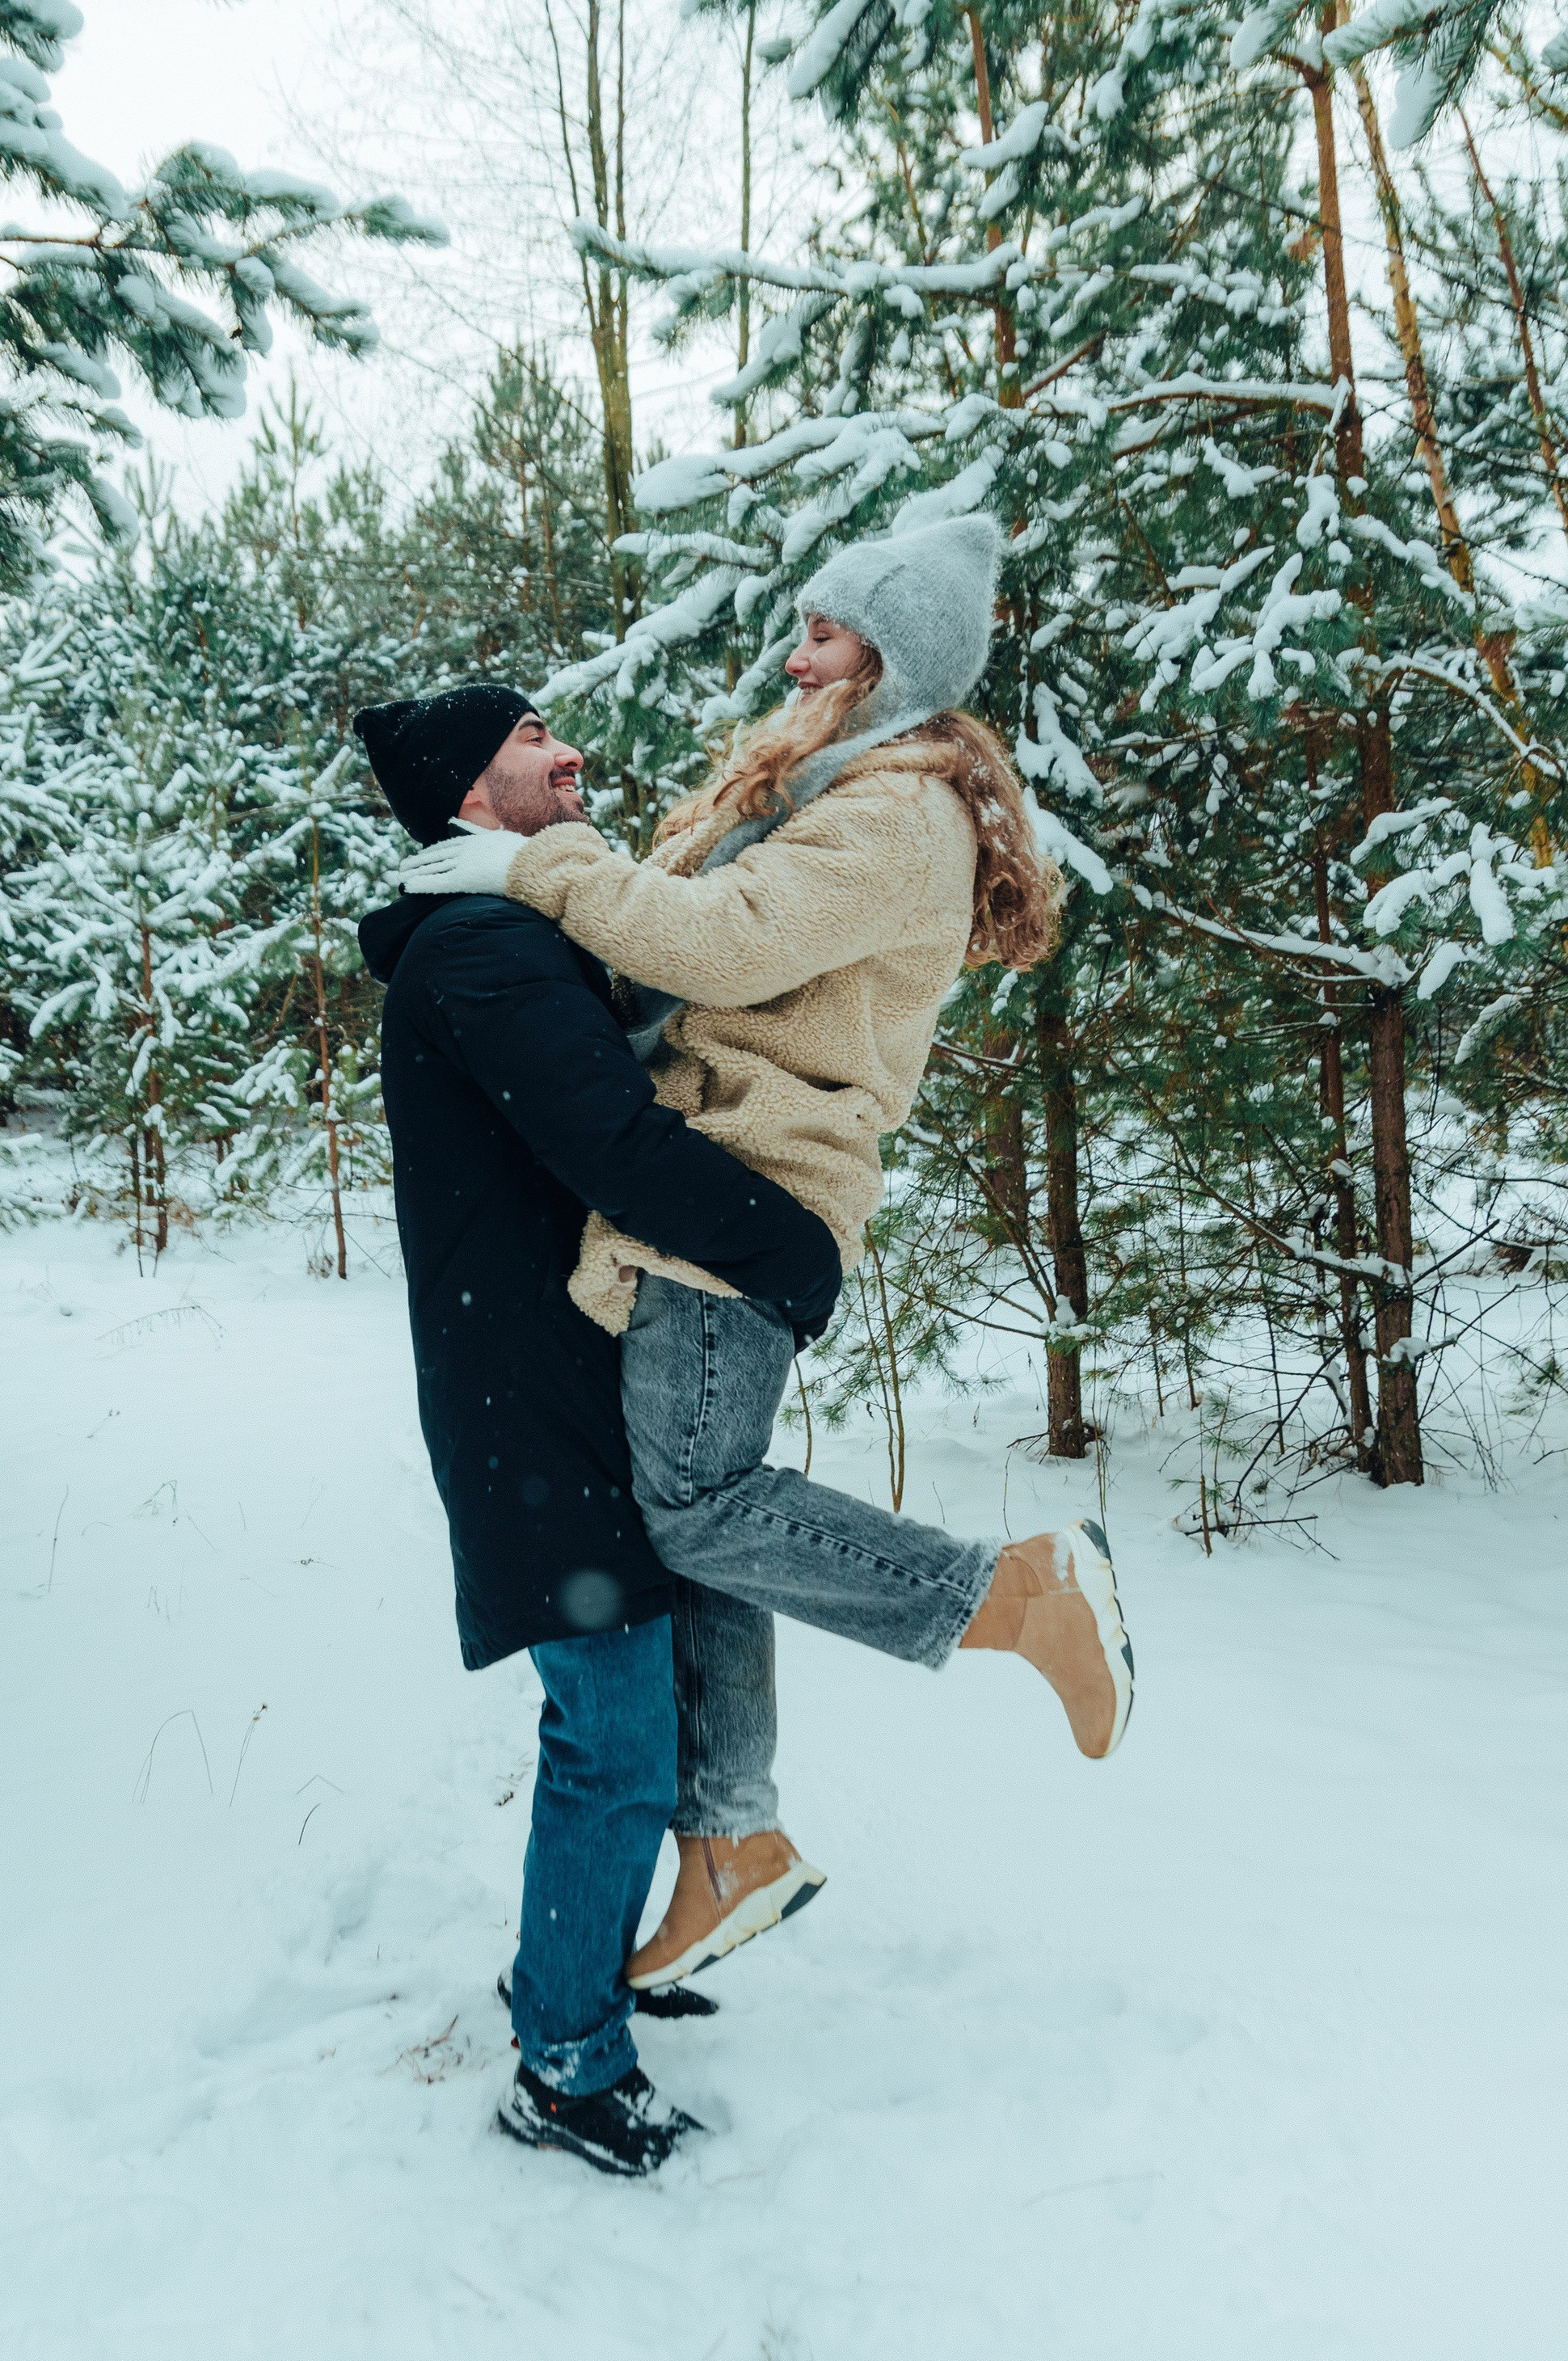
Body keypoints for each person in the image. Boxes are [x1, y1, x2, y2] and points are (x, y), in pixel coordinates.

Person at [402, 506, 1137, 1992]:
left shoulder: (895, 810)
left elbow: (722, 945)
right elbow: (668, 936)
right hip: (714, 1172)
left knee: (695, 1508)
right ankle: (732, 1839)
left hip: (749, 1180)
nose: (793, 653)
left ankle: (1016, 1595)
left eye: (824, 632)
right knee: (705, 1515)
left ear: (889, 659)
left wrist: (537, 875)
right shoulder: (830, 779)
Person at [354, 682, 842, 2179]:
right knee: (613, 1737)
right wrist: (791, 1246)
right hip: (535, 1402)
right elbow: (618, 1150)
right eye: (528, 747)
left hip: (564, 1380)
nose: (570, 757)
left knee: (636, 1713)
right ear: (466, 797)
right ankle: (563, 2060)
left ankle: (573, 1968)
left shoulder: (521, 932)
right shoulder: (485, 946)